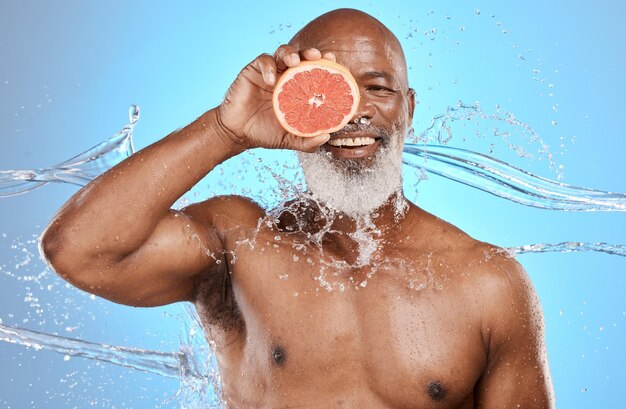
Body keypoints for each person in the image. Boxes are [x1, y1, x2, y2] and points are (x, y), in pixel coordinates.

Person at [40, 8, 554, 408]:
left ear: (409, 109)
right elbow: (80, 250)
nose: (354, 112)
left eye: (376, 88)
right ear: (295, 101)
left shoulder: (488, 283)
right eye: (331, 90)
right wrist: (226, 130)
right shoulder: (239, 241)